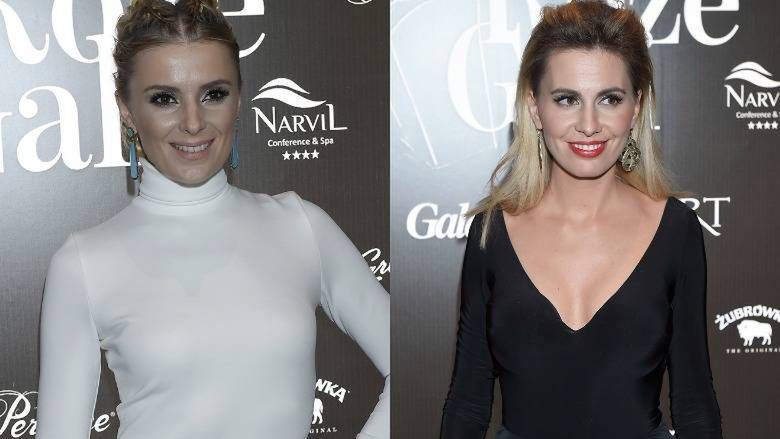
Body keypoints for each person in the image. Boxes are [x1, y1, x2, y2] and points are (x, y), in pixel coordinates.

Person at [35, 1, 389, 438]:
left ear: (238, 99)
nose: (193, 122)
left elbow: (406, 363)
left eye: (213, 94)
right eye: (164, 99)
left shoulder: (301, 226)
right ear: (126, 109)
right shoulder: (83, 264)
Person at [440, 1, 721, 438]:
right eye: (567, 99)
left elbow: (695, 404)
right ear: (535, 107)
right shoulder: (493, 231)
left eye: (609, 99)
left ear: (636, 106)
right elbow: (468, 401)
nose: (589, 125)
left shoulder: (676, 230)